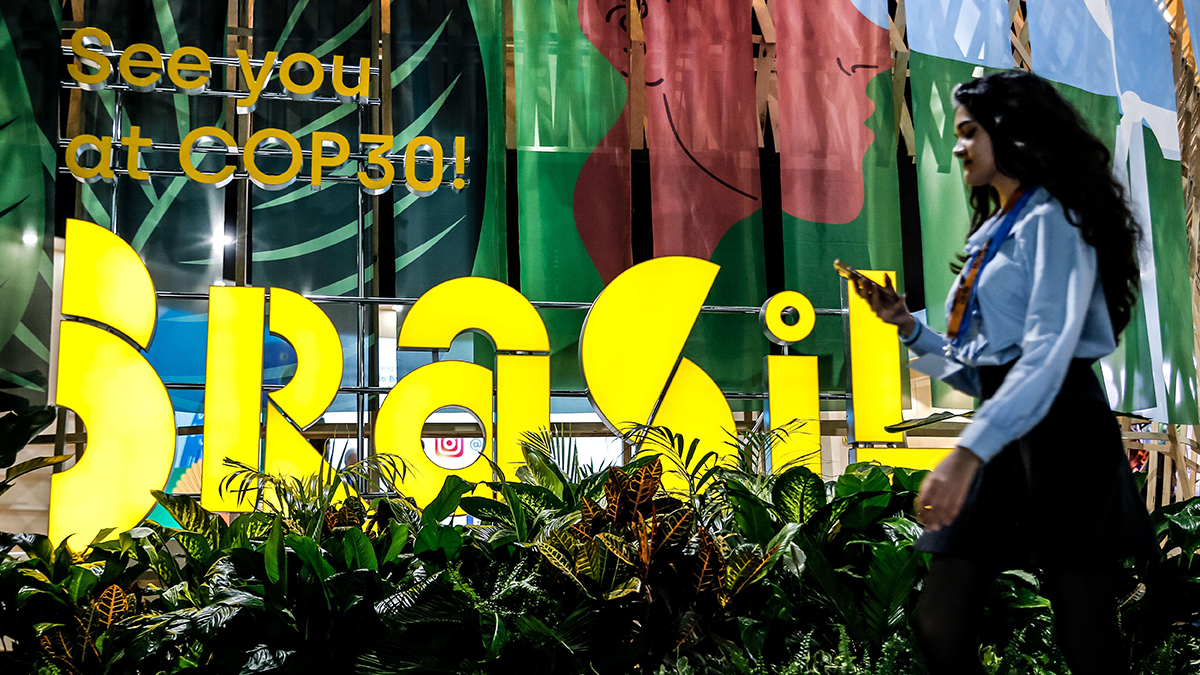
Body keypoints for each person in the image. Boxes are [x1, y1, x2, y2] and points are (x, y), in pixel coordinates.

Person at [852, 70, 1159, 675]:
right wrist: (907, 326)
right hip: (1006, 423)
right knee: (939, 619)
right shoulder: (996, 228)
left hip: (1063, 427)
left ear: (1012, 134)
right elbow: (982, 375)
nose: (958, 147)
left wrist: (967, 453)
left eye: (970, 132)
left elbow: (1046, 356)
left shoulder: (1054, 220)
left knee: (1085, 628)